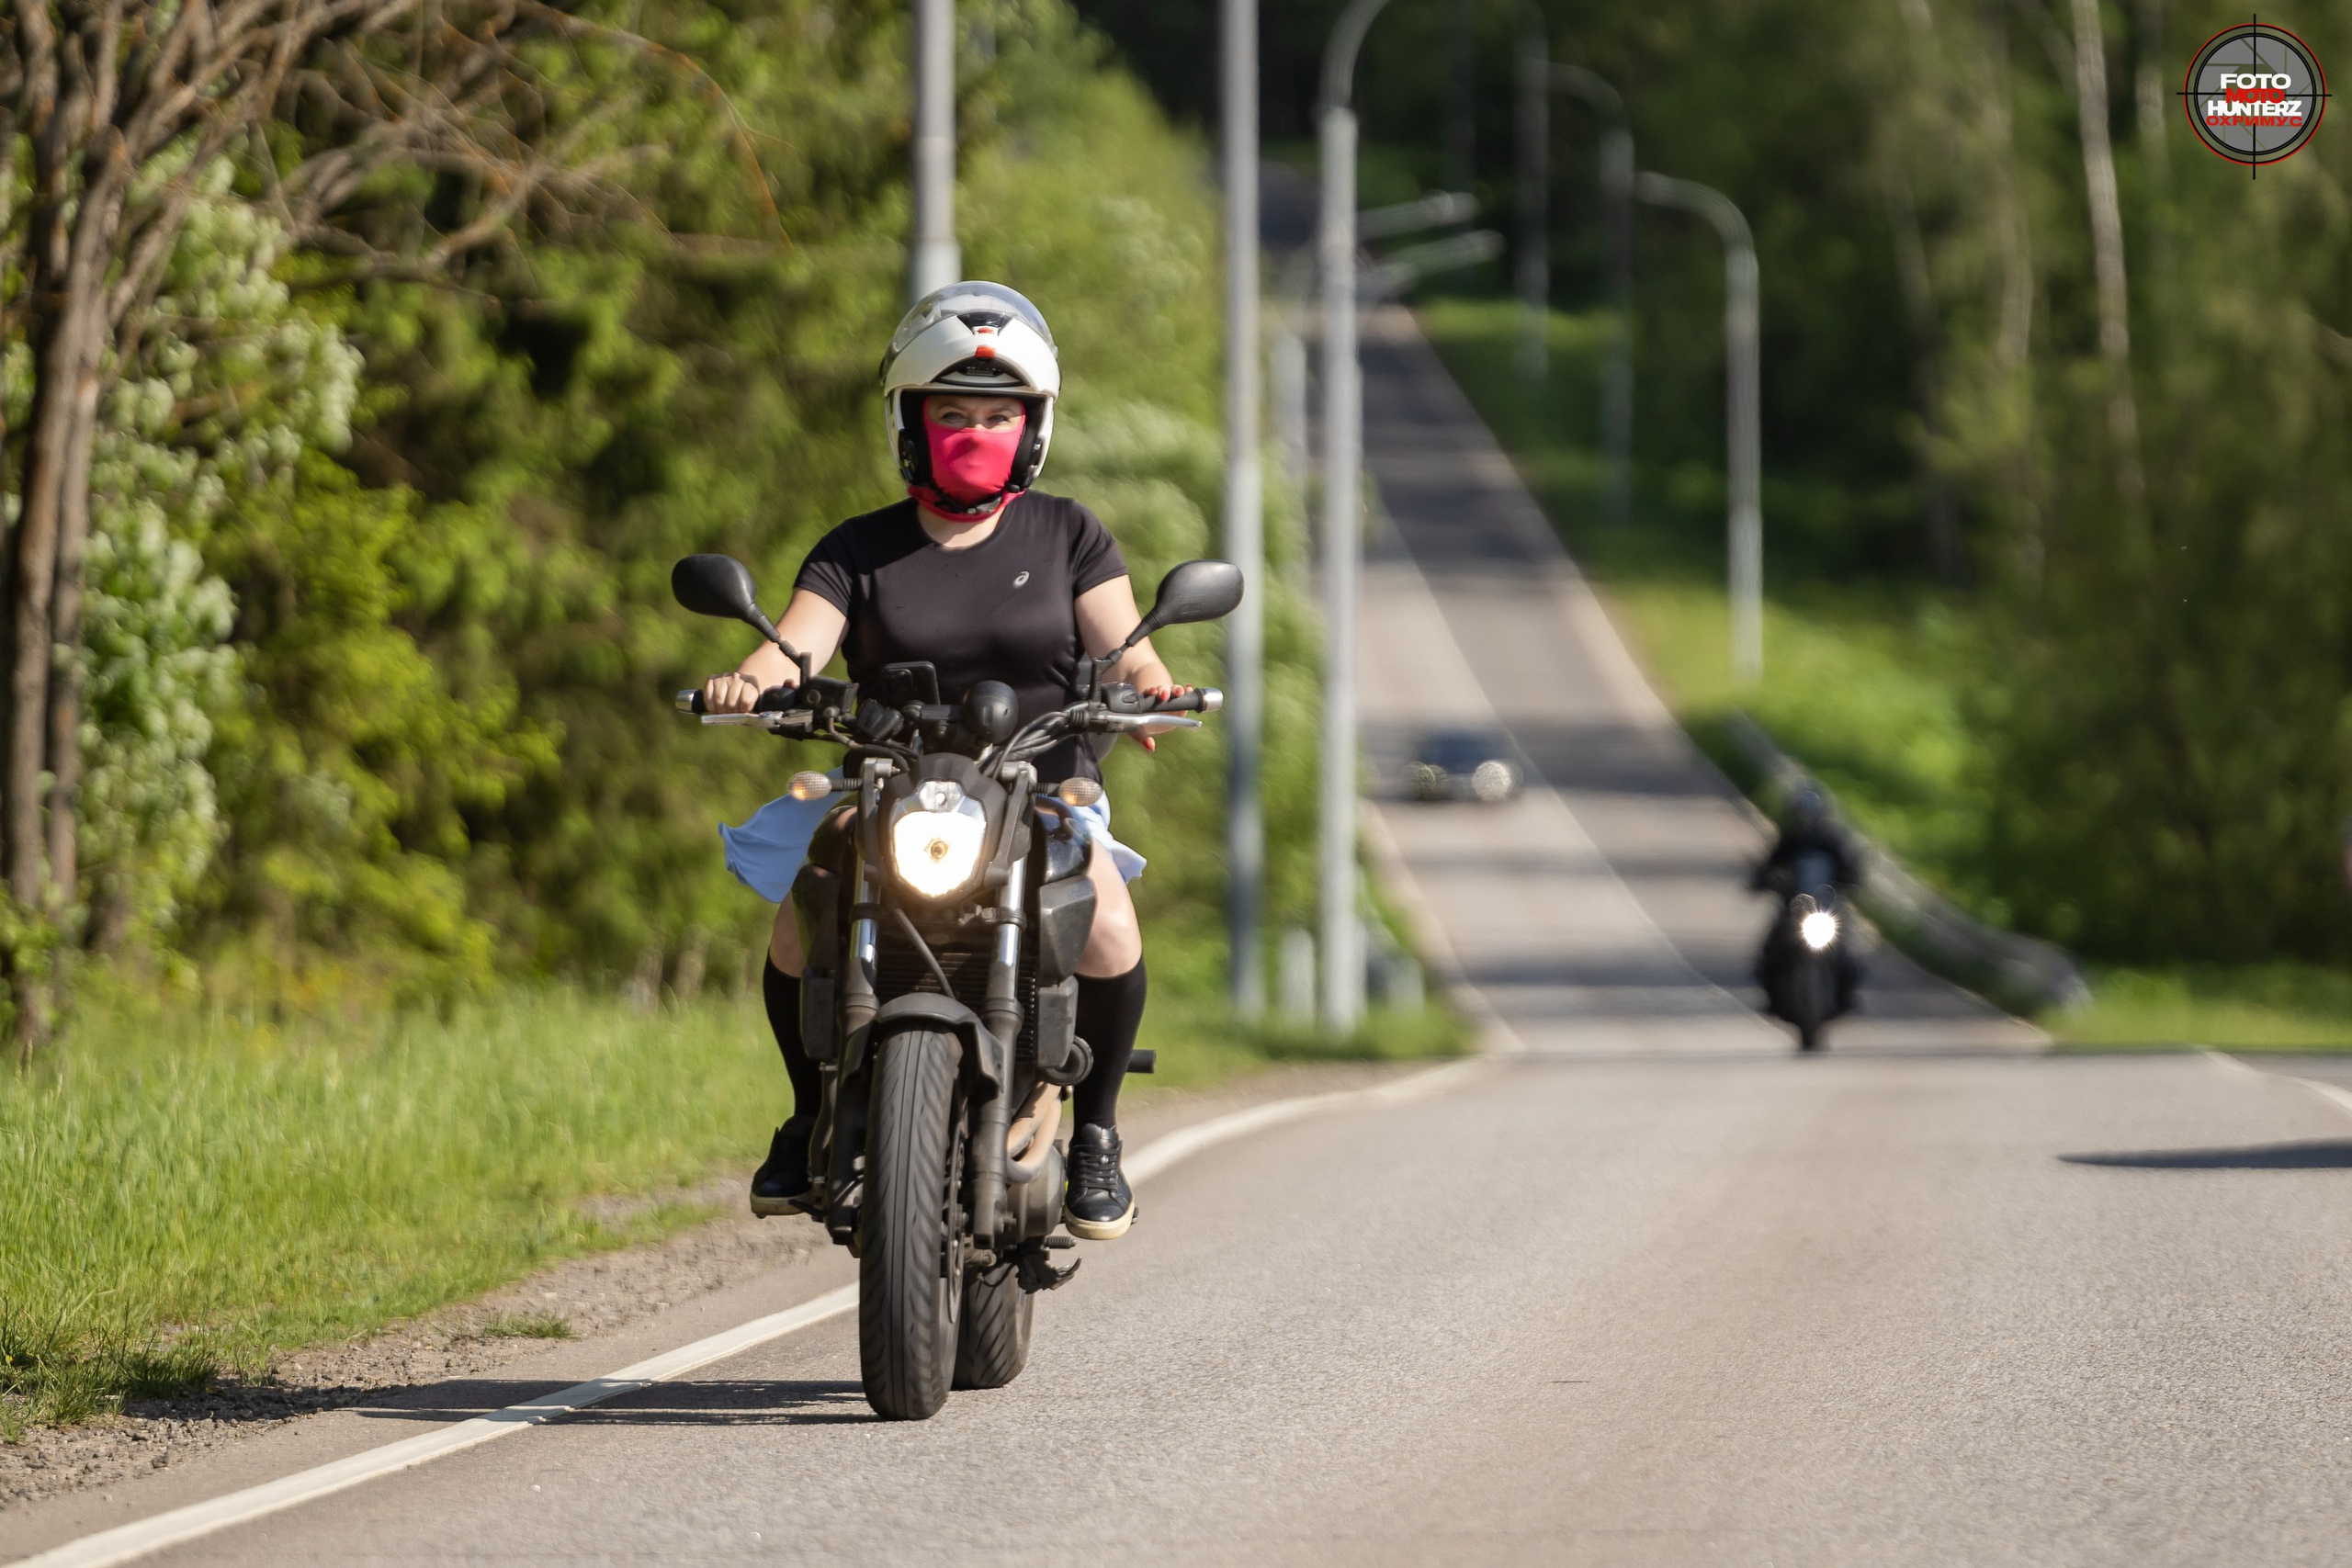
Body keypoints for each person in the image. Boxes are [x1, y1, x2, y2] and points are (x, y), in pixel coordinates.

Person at [701, 282, 1186, 1243]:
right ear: (910, 423)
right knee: (807, 904)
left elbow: (1128, 645)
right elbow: (795, 645)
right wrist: (747, 679)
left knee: (1110, 922)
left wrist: (1154, 690)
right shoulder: (857, 549)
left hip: (1039, 786)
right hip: (891, 784)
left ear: (1033, 425)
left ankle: (1095, 1139)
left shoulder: (1068, 534)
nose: (975, 430)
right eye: (952, 413)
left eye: (997, 414)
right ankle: (806, 1116)